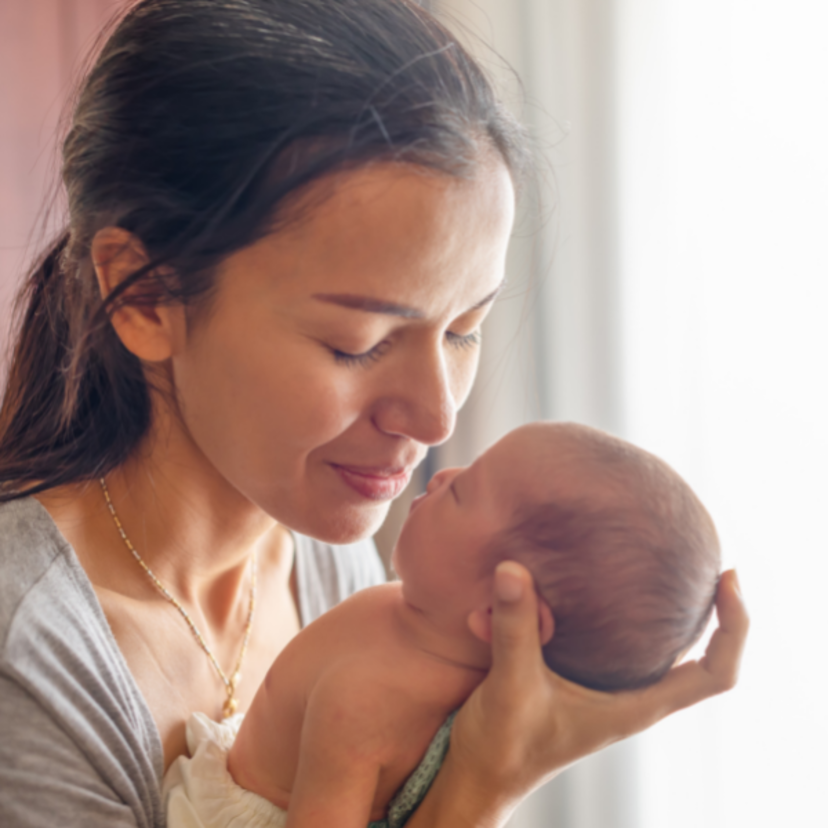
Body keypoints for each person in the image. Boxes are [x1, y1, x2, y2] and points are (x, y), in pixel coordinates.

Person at [0, 1, 748, 827]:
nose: (435, 421)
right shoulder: (29, 658)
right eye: (357, 343)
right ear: (143, 295)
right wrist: (484, 783)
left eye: (465, 329)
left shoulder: (331, 568)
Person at [162, 421, 722, 827]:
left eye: (462, 491)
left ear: (502, 611)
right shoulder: (433, 633)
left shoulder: (367, 699)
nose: (442, 473)